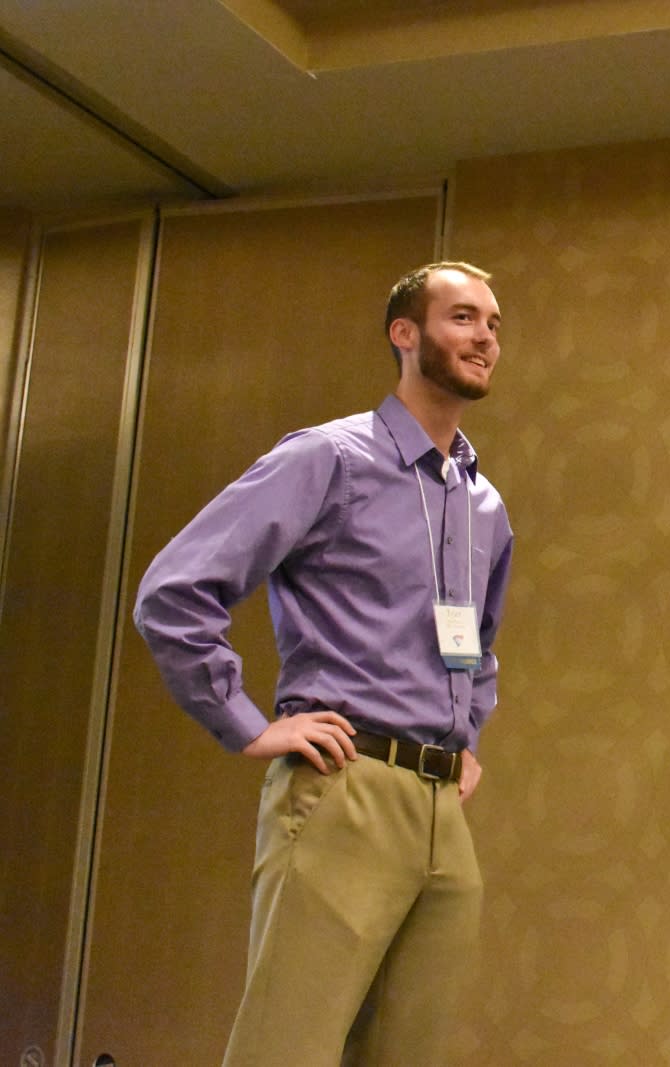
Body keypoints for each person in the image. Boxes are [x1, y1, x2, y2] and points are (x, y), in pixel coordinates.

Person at [133, 261, 514, 1065]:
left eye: (493, 323)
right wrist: (244, 724)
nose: (484, 337)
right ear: (404, 334)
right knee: (289, 1047)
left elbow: (478, 643)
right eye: (462, 318)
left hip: (443, 805)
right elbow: (175, 590)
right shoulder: (330, 458)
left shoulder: (485, 504)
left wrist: (466, 732)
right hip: (347, 785)